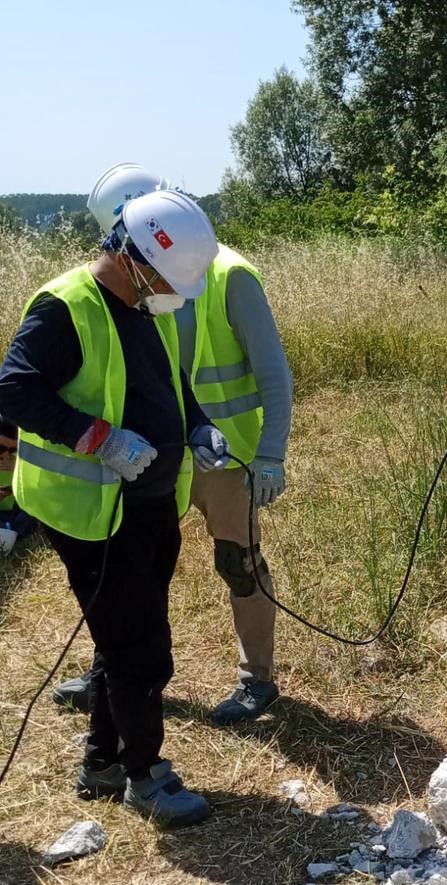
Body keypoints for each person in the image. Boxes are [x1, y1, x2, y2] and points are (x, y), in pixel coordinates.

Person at [0, 189, 226, 825]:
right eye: (167, 278)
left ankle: (102, 760)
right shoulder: (64, 308)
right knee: (140, 647)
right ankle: (144, 774)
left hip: (147, 503)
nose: (173, 292)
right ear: (132, 257)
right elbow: (13, 391)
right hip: (92, 512)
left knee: (123, 631)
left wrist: (200, 425)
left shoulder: (139, 306)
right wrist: (96, 438)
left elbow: (168, 386)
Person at [54, 163, 294, 725]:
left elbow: (274, 375)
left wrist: (269, 456)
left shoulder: (230, 275)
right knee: (127, 569)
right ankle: (109, 676)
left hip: (222, 458)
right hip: (148, 454)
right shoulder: (121, 280)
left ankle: (257, 680)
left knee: (239, 562)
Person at [0, 415, 38, 555]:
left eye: (12, 450)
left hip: (19, 511)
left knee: (29, 514)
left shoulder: (24, 457)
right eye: (1, 448)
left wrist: (19, 466)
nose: (6, 456)